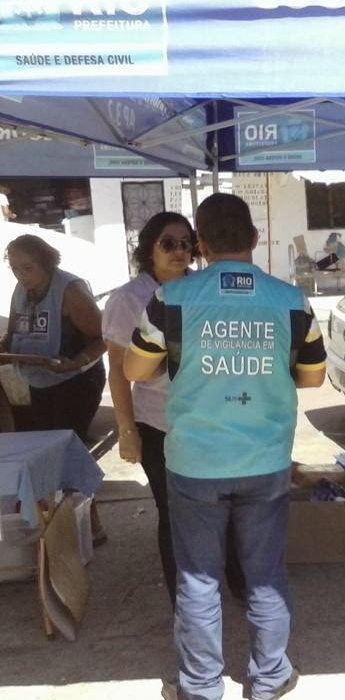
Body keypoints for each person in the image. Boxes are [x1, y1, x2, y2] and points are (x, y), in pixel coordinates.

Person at [124, 193, 326, 700]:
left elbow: (135, 370)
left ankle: (199, 690)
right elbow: (313, 377)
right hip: (265, 459)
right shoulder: (292, 301)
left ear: (201, 244)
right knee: (265, 574)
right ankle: (269, 678)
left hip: (195, 463)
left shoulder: (171, 299)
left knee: (197, 580)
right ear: (255, 239)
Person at [102, 212, 244, 606]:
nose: (179, 251)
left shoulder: (205, 289)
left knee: (228, 507)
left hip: (213, 423)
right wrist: (127, 431)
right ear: (149, 249)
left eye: (186, 243)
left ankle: (238, 583)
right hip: (159, 426)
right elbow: (118, 373)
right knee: (175, 514)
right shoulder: (128, 299)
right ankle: (185, 600)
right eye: (168, 243)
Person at [1, 234, 108, 543]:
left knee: (67, 451)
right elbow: (13, 336)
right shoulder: (22, 290)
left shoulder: (70, 292)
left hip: (77, 382)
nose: (22, 276)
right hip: (39, 381)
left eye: (28, 268)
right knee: (48, 453)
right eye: (15, 269)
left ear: (46, 264)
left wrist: (76, 362)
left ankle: (90, 524)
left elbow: (104, 337)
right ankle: (68, 525)